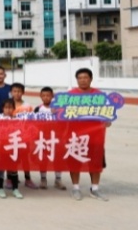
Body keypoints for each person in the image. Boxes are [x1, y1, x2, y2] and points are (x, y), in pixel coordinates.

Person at [68, 68, 109, 201]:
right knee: (75, 161)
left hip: (96, 136)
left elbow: (108, 114)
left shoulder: (99, 96)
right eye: (80, 78)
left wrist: (107, 120)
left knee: (96, 162)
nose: (83, 80)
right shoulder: (70, 95)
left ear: (91, 79)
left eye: (85, 77)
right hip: (76, 136)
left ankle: (95, 189)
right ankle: (75, 188)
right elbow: (61, 113)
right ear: (77, 80)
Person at [34, 86, 66, 190]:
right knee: (43, 159)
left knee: (58, 159)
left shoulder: (59, 108)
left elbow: (64, 123)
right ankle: (43, 179)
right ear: (40, 96)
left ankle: (58, 179)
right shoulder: (38, 109)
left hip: (56, 137)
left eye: (48, 95)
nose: (46, 97)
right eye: (43, 95)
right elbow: (33, 124)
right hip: (43, 138)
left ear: (52, 96)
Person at [10, 82, 38, 190]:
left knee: (25, 158)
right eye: (14, 91)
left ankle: (28, 179)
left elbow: (32, 121)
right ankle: (11, 178)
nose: (17, 93)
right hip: (11, 137)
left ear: (23, 92)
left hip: (24, 137)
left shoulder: (27, 106)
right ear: (11, 92)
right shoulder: (8, 104)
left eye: (19, 91)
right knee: (11, 158)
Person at [0, 100, 23, 199]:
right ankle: (0, 188)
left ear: (14, 109)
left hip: (13, 148)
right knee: (0, 170)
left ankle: (15, 189)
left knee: (13, 169)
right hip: (1, 148)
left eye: (10, 108)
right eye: (6, 108)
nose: (8, 110)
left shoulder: (17, 120)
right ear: (3, 109)